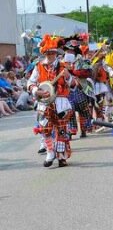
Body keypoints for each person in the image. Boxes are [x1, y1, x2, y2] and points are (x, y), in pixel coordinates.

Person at [28, 35, 74, 166]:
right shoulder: (38, 66)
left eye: (52, 52)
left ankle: (61, 156)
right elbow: (30, 82)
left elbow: (74, 84)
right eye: (47, 53)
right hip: (45, 102)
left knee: (62, 129)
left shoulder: (63, 66)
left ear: (56, 53)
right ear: (44, 53)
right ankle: (50, 152)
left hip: (61, 103)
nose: (50, 55)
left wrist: (68, 77)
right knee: (44, 128)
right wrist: (37, 91)